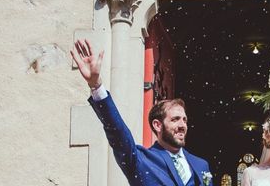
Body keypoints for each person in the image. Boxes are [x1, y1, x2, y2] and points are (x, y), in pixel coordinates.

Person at [71, 39, 214, 186]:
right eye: (175, 119)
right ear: (158, 125)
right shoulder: (141, 160)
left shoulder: (201, 165)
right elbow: (118, 133)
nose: (182, 125)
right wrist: (96, 85)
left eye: (184, 120)